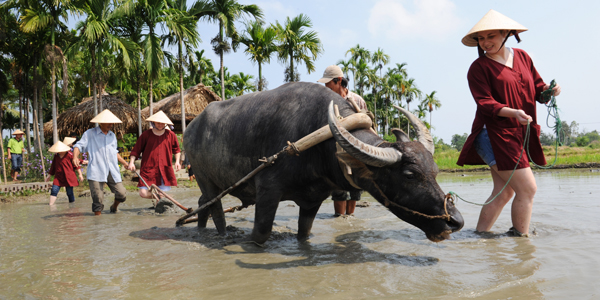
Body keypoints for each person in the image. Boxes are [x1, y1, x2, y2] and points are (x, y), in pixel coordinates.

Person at [457, 10, 561, 237]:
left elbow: (538, 90)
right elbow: (485, 103)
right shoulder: (479, 68)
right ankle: (522, 242)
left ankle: (481, 238)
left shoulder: (523, 57)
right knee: (528, 189)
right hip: (493, 134)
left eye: (491, 36)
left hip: (517, 132)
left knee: (503, 193)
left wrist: (549, 92)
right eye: (481, 39)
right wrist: (513, 112)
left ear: (506, 34)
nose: (485, 43)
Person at [318, 65, 367, 217]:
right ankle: (339, 219)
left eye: (328, 83)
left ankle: (350, 219)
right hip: (335, 151)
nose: (326, 86)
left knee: (355, 189)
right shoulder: (327, 103)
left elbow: (366, 124)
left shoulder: (356, 100)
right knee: (338, 188)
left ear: (338, 81)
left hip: (355, 149)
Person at [72, 109, 129, 215]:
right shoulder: (90, 134)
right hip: (96, 169)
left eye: (112, 122)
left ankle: (114, 207)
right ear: (101, 122)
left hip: (111, 169)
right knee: (98, 199)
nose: (110, 124)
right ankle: (98, 224)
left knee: (121, 194)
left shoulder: (112, 136)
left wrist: (125, 163)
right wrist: (75, 157)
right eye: (108, 122)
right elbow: (78, 146)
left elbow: (114, 152)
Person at [126, 111, 181, 199]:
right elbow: (136, 150)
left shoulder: (171, 135)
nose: (160, 124)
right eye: (158, 122)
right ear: (153, 122)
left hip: (164, 168)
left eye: (162, 123)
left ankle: (160, 204)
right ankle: (164, 197)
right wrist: (131, 162)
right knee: (143, 193)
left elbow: (177, 150)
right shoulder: (146, 135)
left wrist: (177, 162)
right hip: (148, 169)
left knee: (161, 194)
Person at [46, 141, 84, 205]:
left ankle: (72, 206)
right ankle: (51, 205)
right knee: (54, 190)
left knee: (69, 192)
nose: (59, 151)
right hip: (58, 177)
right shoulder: (56, 156)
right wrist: (49, 175)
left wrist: (80, 174)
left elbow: (76, 165)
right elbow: (53, 166)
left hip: (68, 176)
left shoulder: (70, 155)